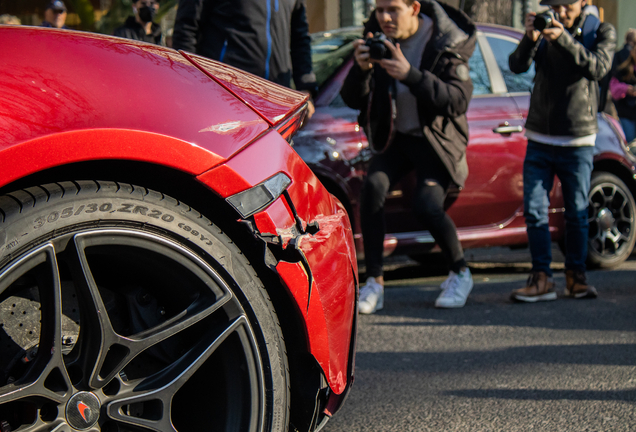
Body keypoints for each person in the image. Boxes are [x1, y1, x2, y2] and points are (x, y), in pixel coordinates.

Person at [341, 0, 477, 312]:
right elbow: (352, 98)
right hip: (397, 138)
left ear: (414, 7)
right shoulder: (376, 36)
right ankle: (374, 281)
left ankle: (460, 272)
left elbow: (457, 101)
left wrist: (410, 74)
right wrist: (360, 71)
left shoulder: (444, 42)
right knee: (372, 188)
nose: (384, 17)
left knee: (426, 206)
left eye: (393, 9)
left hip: (436, 140)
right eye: (379, 9)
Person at [508, 0, 616, 302]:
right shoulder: (543, 30)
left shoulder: (600, 31)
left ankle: (575, 277)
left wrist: (564, 39)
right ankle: (541, 278)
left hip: (577, 138)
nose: (560, 12)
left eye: (566, 5)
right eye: (555, 6)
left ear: (584, 2)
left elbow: (598, 67)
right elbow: (516, 65)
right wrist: (530, 39)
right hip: (540, 135)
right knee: (533, 210)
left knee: (577, 213)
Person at [171, 0, 317, 118]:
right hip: (225, 98)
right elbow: (186, 29)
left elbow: (299, 39)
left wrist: (305, 87)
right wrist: (191, 85)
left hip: (276, 103)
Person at [610, 29, 636, 142]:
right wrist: (626, 89)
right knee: (630, 143)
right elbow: (613, 88)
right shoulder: (624, 69)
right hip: (627, 113)